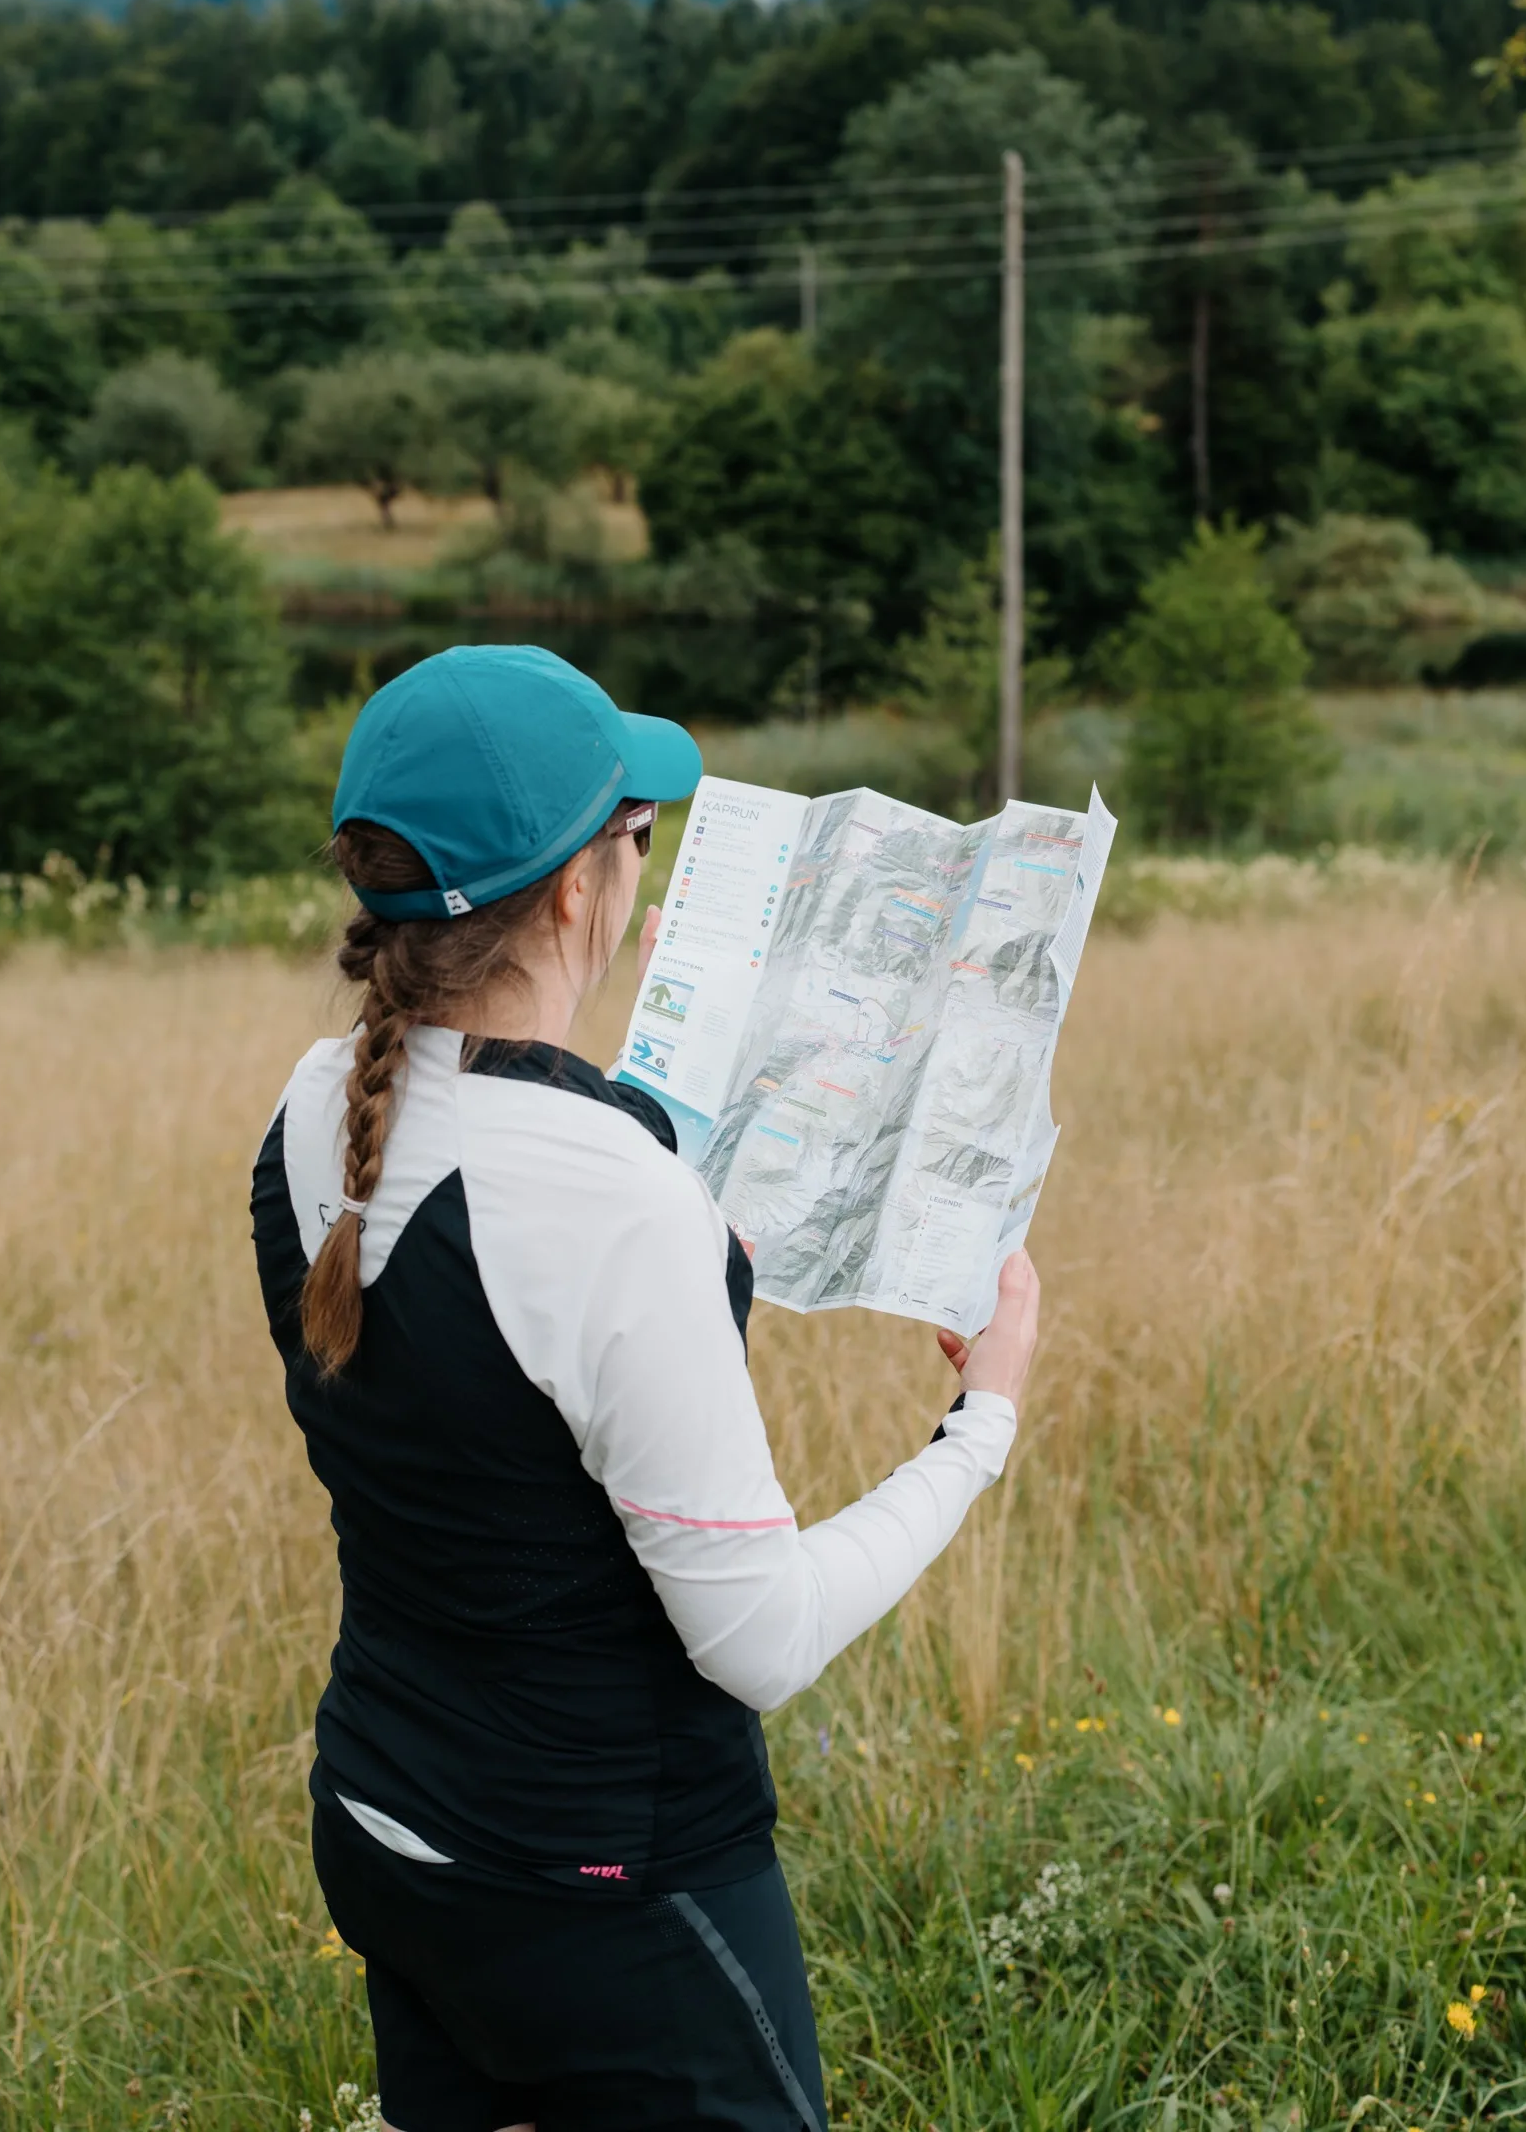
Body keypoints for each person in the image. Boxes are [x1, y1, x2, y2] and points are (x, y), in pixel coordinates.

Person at [251, 645, 1040, 2132]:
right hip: (605, 1890)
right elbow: (761, 1642)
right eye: (635, 833)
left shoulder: (314, 1107)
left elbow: (490, 1325)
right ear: (574, 892)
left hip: (386, 1828)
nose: (642, 860)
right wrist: (980, 1419)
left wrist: (657, 1108)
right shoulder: (609, 1199)